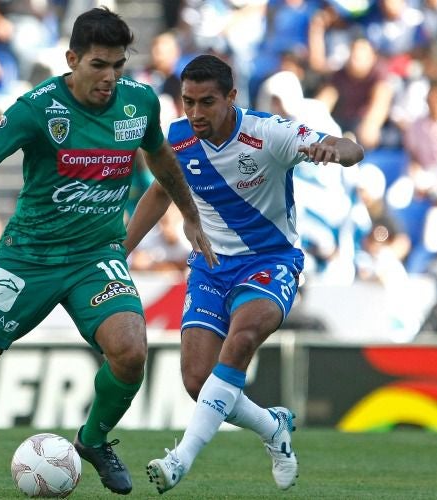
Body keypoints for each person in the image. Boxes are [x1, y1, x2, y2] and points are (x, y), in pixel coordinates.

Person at [0, 7, 215, 495]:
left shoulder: (138, 103)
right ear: (72, 59)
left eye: (118, 65)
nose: (110, 77)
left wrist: (192, 216)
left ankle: (93, 440)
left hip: (96, 256)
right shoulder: (37, 107)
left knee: (131, 351)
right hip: (28, 257)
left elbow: (162, 159)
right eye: (99, 65)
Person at [124, 54, 364, 493]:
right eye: (188, 102)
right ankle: (272, 427)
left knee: (242, 339)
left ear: (232, 97)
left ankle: (180, 459)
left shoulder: (268, 133)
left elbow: (352, 149)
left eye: (207, 102)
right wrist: (122, 250)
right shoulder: (177, 139)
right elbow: (161, 191)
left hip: (270, 262)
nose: (195, 113)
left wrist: (336, 151)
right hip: (212, 267)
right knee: (199, 381)